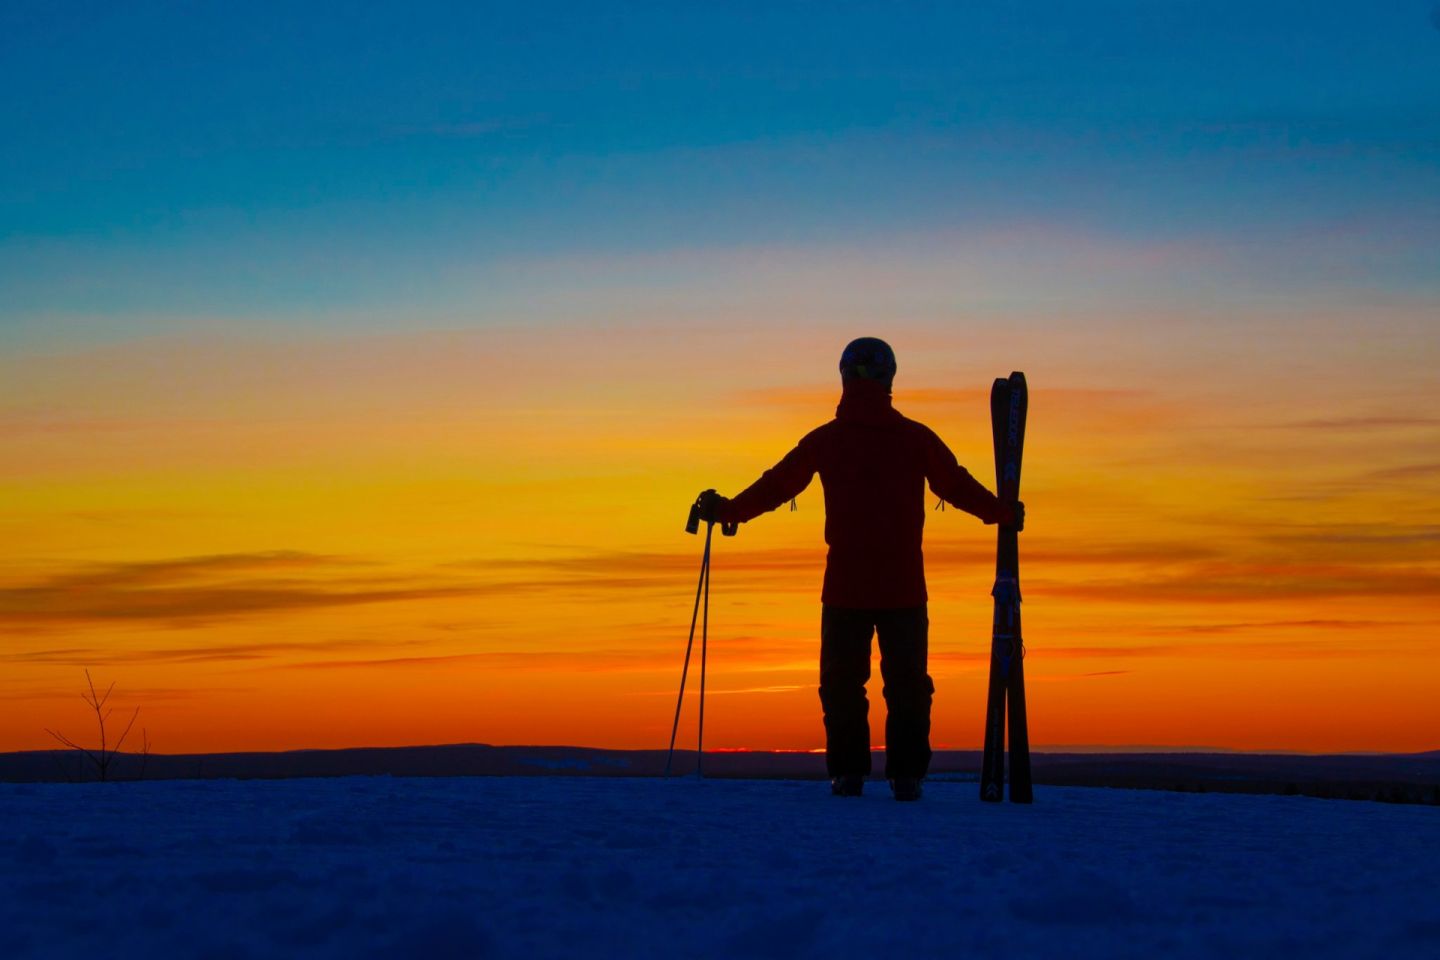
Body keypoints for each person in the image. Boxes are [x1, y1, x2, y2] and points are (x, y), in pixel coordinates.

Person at [695, 337, 1022, 801]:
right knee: (907, 687)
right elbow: (955, 484)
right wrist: (1001, 513)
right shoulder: (914, 438)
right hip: (903, 589)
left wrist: (730, 511)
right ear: (889, 378)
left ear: (845, 376)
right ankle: (906, 776)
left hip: (845, 589)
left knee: (843, 685)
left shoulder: (829, 440)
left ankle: (848, 774)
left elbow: (777, 483)